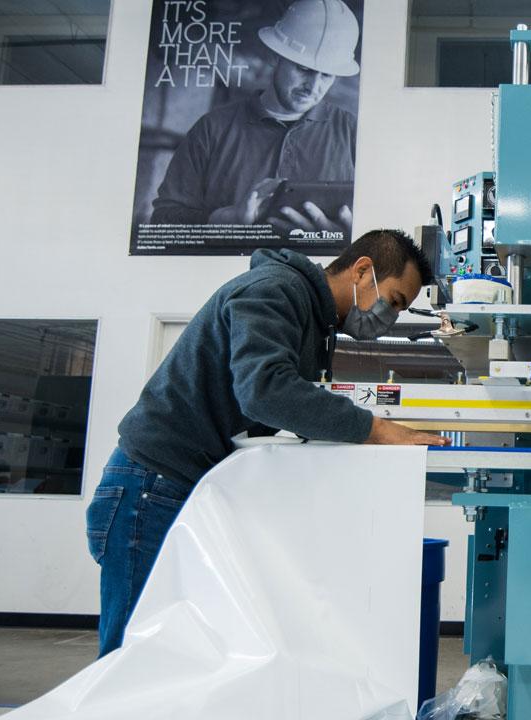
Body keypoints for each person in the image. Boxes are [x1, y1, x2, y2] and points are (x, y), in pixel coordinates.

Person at [86, 229, 448, 657]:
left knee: (176, 654)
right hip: (150, 487)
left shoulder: (314, 320)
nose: (390, 316)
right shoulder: (275, 290)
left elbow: (290, 410)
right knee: (132, 656)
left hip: (181, 486)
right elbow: (265, 391)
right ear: (363, 269)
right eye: (394, 301)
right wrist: (378, 429)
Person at [150, 0, 362, 237]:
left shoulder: (353, 133)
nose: (313, 87)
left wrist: (348, 236)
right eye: (303, 69)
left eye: (326, 75)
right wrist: (224, 219)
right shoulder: (212, 130)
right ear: (275, 56)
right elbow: (162, 223)